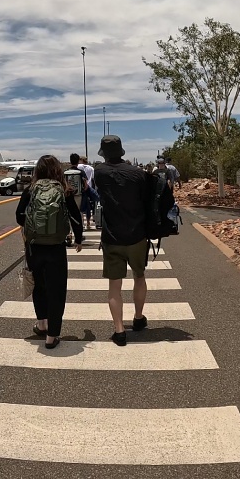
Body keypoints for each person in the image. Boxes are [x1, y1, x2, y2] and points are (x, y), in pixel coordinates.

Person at [16, 155, 84, 349]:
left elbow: (19, 215)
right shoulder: (64, 190)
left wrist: (33, 226)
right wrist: (78, 238)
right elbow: (75, 217)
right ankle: (52, 336)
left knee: (38, 286)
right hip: (56, 247)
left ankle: (42, 324)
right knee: (56, 290)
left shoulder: (31, 189)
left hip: (34, 247)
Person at [93, 135, 149, 346]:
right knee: (139, 276)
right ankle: (138, 318)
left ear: (104, 153)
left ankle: (119, 330)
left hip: (112, 237)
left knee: (114, 286)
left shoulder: (99, 172)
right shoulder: (138, 174)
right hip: (137, 235)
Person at [78, 155, 97, 229]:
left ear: (81, 160)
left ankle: (82, 221)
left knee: (80, 206)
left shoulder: (78, 167)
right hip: (89, 188)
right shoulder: (91, 168)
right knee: (88, 206)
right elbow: (93, 178)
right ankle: (88, 222)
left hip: (80, 188)